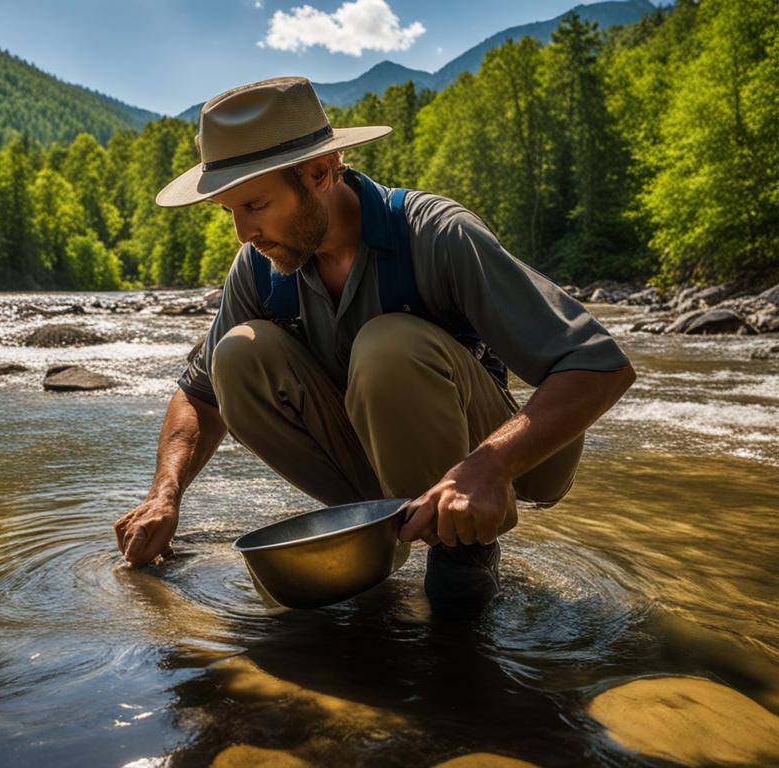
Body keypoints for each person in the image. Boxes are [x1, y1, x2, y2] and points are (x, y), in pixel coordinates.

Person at [113, 76, 636, 615]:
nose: (244, 233)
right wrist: (164, 494)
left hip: (517, 465)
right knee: (239, 354)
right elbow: (198, 395)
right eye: (230, 212)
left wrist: (490, 467)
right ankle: (379, 528)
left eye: (256, 204)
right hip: (393, 465)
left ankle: (463, 547)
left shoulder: (436, 234)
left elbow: (598, 365)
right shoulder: (260, 269)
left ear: (320, 172)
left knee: (388, 344)